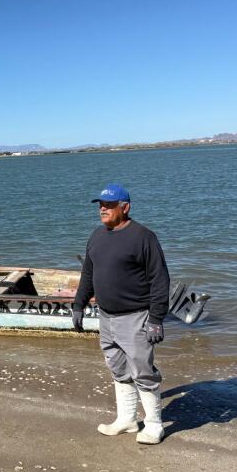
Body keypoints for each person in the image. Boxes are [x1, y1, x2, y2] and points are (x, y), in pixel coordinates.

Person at [72, 183, 170, 444]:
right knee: (117, 368)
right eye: (101, 205)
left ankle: (154, 424)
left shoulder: (143, 237)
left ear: (125, 207)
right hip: (107, 317)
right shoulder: (96, 236)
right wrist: (78, 304)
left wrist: (157, 318)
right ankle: (126, 420)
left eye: (109, 205)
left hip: (136, 317)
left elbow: (160, 280)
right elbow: (88, 275)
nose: (103, 209)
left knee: (143, 371)